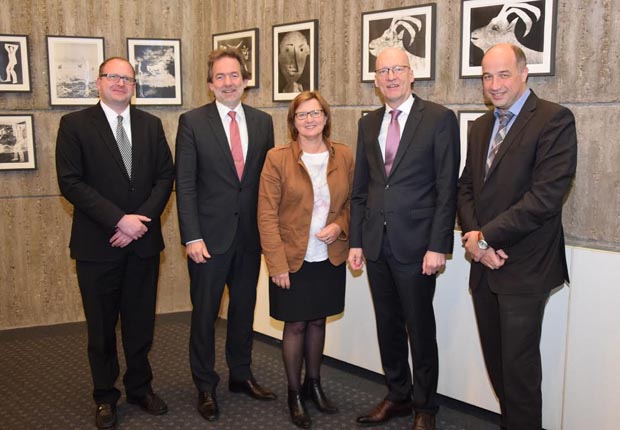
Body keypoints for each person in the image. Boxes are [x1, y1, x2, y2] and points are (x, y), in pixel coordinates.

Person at [457, 43, 577, 430]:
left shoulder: (554, 120)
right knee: (497, 366)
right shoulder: (480, 127)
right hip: (485, 266)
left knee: (519, 373)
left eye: (503, 74)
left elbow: (544, 198)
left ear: (524, 73)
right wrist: (477, 242)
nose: (494, 84)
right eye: (487, 76)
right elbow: (466, 189)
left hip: (524, 268)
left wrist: (484, 238)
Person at [56, 57, 174, 429]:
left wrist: (139, 222)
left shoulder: (151, 125)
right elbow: (70, 182)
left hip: (142, 243)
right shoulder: (74, 125)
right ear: (99, 82)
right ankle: (105, 395)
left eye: (128, 78)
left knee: (140, 324)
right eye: (113, 77)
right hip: (97, 245)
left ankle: (140, 387)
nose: (121, 83)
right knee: (102, 328)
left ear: (134, 85)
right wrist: (117, 220)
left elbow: (165, 177)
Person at [348, 47, 460, 430]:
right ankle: (397, 395)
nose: (390, 76)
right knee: (388, 325)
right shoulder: (368, 123)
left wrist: (438, 245)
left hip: (418, 246)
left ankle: (425, 406)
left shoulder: (440, 119)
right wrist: (357, 242)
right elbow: (360, 188)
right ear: (376, 81)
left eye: (397, 69)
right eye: (383, 71)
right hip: (376, 244)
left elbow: (448, 188)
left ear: (412, 75)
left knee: (420, 327)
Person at [175, 48, 276, 422]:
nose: (228, 83)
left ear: (245, 81)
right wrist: (191, 237)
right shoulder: (192, 122)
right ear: (209, 84)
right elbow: (184, 185)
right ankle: (205, 384)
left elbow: (268, 184)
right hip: (208, 240)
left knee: (243, 310)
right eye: (220, 77)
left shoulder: (263, 122)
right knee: (204, 314)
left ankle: (240, 374)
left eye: (234, 75)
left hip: (250, 237)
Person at [258, 91, 354, 428]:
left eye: (316, 113)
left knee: (317, 321)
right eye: (302, 115)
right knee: (296, 323)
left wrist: (340, 226)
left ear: (326, 118)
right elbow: (266, 214)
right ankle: (294, 392)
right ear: (293, 121)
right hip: (292, 257)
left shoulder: (343, 155)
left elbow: (353, 204)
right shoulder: (277, 158)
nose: (310, 119)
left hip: (329, 256)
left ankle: (315, 385)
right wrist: (277, 264)